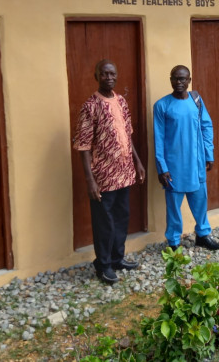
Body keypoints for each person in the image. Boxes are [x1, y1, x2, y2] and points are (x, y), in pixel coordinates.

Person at [73, 60, 146, 284]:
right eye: (104, 74)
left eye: (112, 73)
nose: (109, 77)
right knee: (104, 222)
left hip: (124, 172)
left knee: (122, 217)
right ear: (96, 77)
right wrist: (90, 181)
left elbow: (128, 135)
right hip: (103, 177)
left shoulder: (122, 102)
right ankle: (103, 265)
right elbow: (83, 145)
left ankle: (117, 258)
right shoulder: (90, 106)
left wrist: (138, 162)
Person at [153, 65, 219, 250]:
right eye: (175, 78)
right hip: (174, 166)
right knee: (174, 207)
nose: (179, 82)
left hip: (196, 162)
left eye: (183, 79)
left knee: (200, 200)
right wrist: (162, 167)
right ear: (170, 80)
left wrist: (209, 153)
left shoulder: (196, 100)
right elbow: (158, 138)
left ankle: (203, 234)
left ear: (189, 80)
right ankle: (174, 242)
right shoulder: (162, 106)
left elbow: (206, 126)